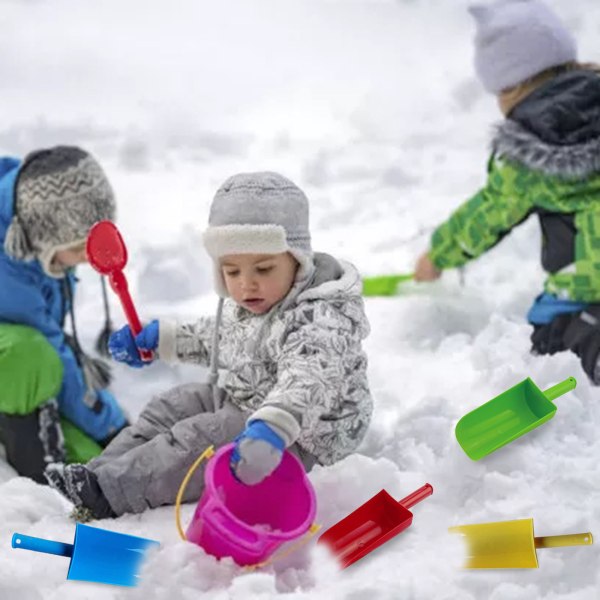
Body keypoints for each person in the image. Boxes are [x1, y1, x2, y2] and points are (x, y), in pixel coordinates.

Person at [46, 171, 373, 520]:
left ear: (298, 260)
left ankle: (110, 495)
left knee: (199, 439)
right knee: (171, 406)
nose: (246, 284)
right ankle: (97, 476)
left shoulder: (319, 319)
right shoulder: (258, 299)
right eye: (232, 272)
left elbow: (308, 380)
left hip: (300, 434)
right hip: (245, 399)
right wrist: (163, 339)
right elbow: (219, 337)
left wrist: (271, 430)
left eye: (263, 268)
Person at [414, 0, 600, 383]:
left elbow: (489, 214)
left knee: (551, 333)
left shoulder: (527, 148)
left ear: (513, 86)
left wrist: (439, 253)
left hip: (588, 282)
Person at [0, 146, 128, 483]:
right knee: (27, 353)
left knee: (95, 462)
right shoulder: (7, 268)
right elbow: (46, 346)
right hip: (18, 363)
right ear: (44, 238)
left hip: (25, 371)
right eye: (78, 248)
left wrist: (110, 436)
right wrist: (112, 426)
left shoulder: (28, 218)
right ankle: (30, 462)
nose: (90, 258)